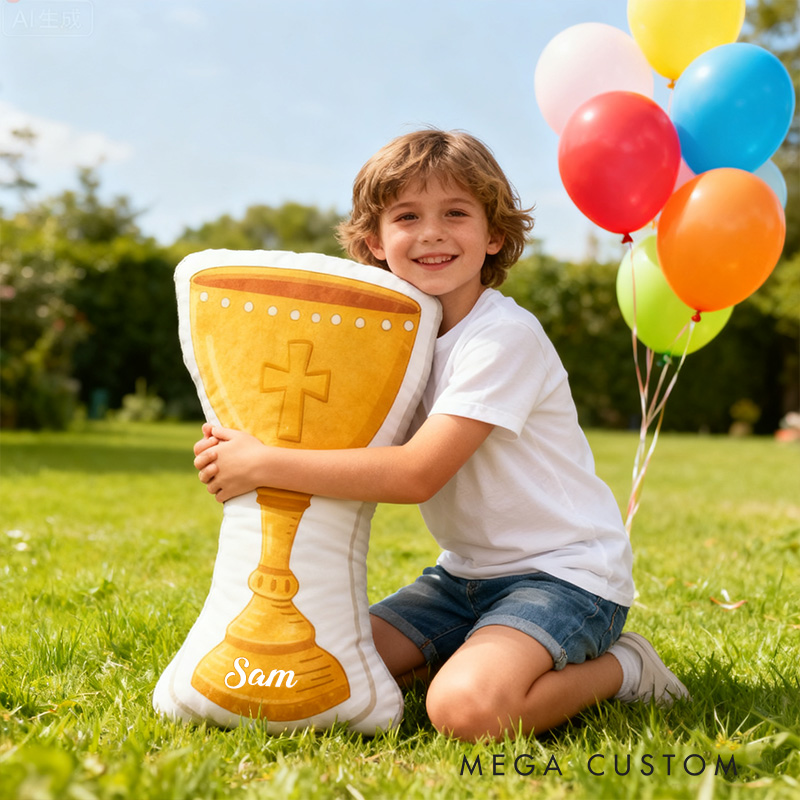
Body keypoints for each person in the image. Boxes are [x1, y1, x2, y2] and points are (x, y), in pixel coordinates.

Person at [192, 128, 690, 741]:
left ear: (494, 235)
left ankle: (625, 668)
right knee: (335, 670)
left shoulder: (501, 336)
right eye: (407, 216)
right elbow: (331, 436)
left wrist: (265, 464)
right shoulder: (393, 348)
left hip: (564, 576)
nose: (431, 232)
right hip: (461, 578)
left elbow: (415, 472)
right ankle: (478, 652)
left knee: (466, 712)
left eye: (456, 213)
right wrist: (238, 451)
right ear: (375, 241)